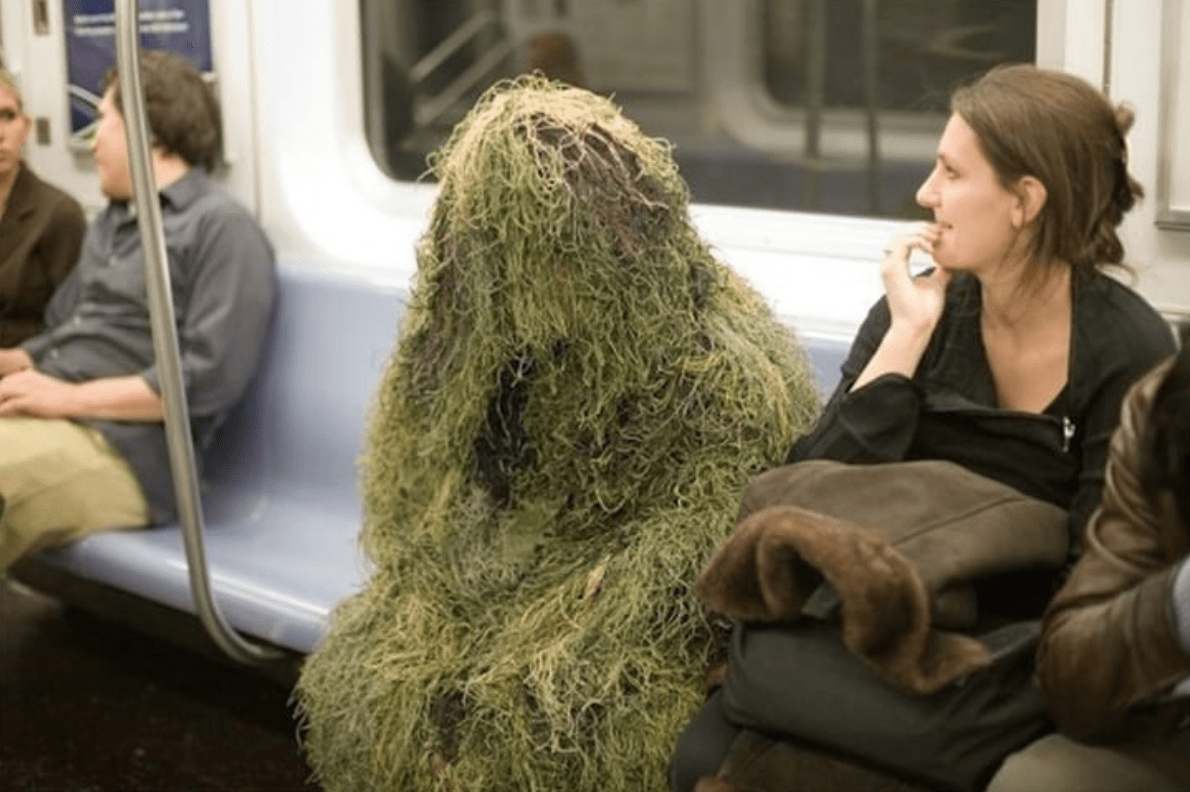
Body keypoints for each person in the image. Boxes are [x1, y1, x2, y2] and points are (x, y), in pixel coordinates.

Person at [294, 76, 820, 792]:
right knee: (371, 681)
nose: (516, 284)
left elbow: (681, 572)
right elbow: (438, 488)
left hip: (632, 621)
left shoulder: (724, 375)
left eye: (545, 258)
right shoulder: (504, 339)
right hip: (528, 578)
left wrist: (526, 641)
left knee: (554, 726)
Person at [670, 63, 1177, 792]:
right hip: (878, 626)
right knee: (700, 754)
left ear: (1023, 202)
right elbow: (800, 502)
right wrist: (905, 337)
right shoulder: (919, 309)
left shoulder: (1128, 351)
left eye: (950, 172)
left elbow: (1100, 587)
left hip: (1006, 663)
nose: (925, 194)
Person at [0, 51, 275, 571]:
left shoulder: (220, 230)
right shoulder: (111, 224)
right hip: (53, 411)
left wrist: (68, 399)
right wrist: (17, 362)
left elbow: (206, 379)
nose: (93, 140)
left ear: (147, 131)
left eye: (104, 121)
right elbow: (67, 330)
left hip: (127, 449)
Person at [986, 322, 1190, 791]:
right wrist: (1176, 605)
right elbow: (1070, 683)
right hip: (1170, 720)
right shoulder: (1163, 400)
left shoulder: (1118, 335)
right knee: (1034, 783)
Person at [0, 69, 86, 347]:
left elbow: (77, 326)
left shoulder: (59, 214)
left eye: (7, 116)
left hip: (30, 375)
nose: (0, 133)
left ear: (25, 128)